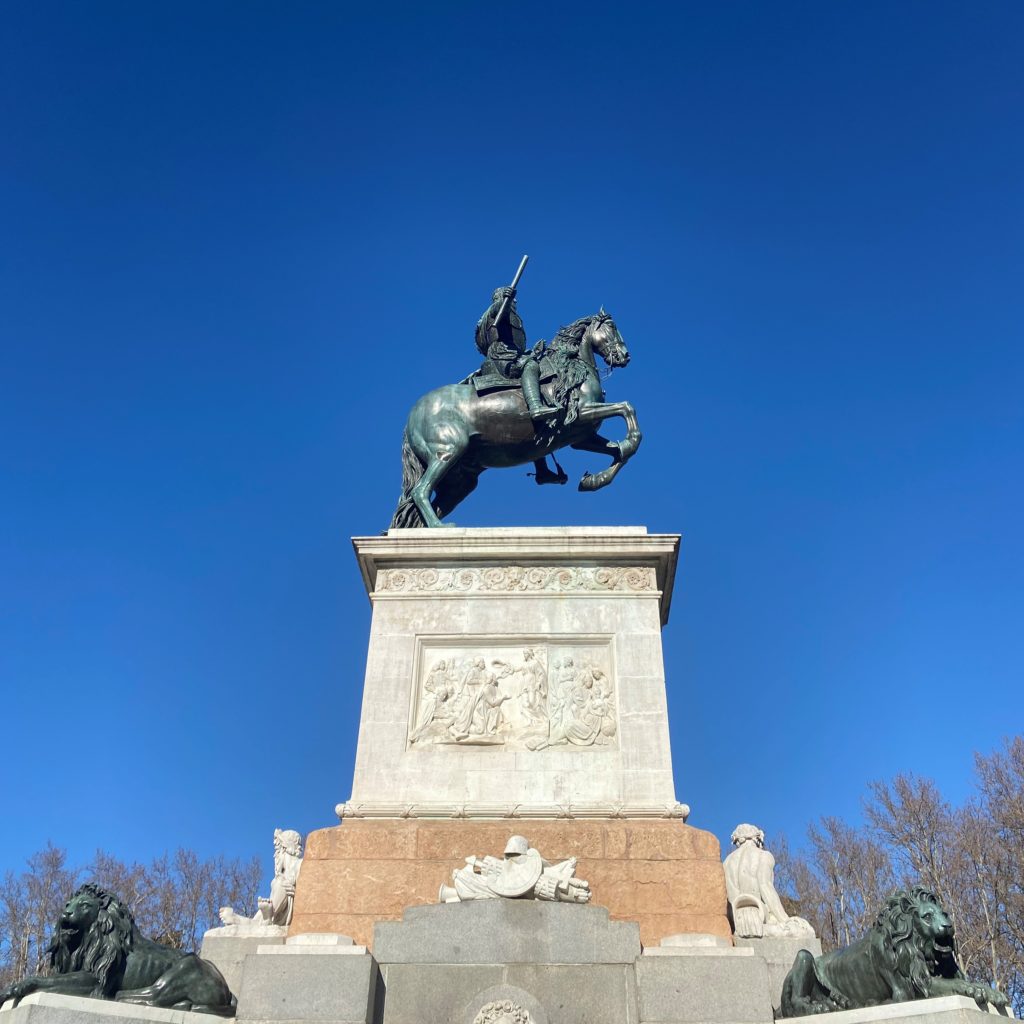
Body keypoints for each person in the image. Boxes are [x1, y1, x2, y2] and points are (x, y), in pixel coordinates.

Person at [475, 286, 559, 421]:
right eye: (513, 300)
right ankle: (535, 407)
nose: (515, 302)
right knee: (530, 365)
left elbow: (517, 347)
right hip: (502, 357)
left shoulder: (513, 317)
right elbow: (498, 310)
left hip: (512, 355)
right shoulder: (493, 312)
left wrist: (533, 352)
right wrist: (505, 300)